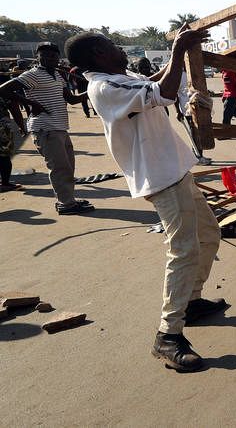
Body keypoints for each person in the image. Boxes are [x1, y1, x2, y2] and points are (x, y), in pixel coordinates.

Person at [65, 26, 227, 372]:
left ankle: (191, 301)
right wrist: (180, 49)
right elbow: (164, 89)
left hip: (174, 168)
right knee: (184, 250)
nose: (119, 49)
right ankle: (168, 336)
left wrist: (179, 58)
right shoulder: (105, 86)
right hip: (161, 176)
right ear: (97, 54)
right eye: (111, 45)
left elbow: (153, 81)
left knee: (210, 235)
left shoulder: (121, 77)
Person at [0, 43, 94, 215]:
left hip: (60, 127)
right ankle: (66, 204)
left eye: (53, 55)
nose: (50, 58)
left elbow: (71, 100)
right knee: (59, 168)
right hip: (45, 128)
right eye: (45, 55)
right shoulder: (32, 75)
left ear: (58, 57)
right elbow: (3, 89)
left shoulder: (58, 76)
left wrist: (93, 89)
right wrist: (31, 104)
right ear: (38, 57)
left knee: (68, 166)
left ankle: (67, 199)